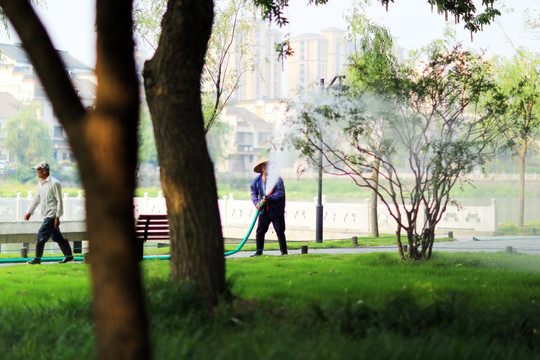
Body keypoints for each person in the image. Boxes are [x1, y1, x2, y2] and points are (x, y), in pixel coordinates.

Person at [24, 161, 74, 264]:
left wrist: (57, 217)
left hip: (52, 215)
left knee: (40, 235)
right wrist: (29, 212)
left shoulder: (54, 183)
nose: (37, 172)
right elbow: (37, 198)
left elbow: (59, 200)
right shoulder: (40, 183)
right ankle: (69, 256)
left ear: (44, 171)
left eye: (38, 170)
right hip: (45, 214)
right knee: (57, 236)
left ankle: (37, 259)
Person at [250, 157, 288, 256]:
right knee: (260, 232)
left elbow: (280, 193)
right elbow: (253, 192)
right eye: (265, 165)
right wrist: (256, 203)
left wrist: (269, 198)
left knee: (280, 231)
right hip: (263, 211)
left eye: (268, 165)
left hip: (276, 211)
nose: (267, 167)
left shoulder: (276, 178)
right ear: (261, 167)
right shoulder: (257, 180)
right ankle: (259, 252)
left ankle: (284, 253)